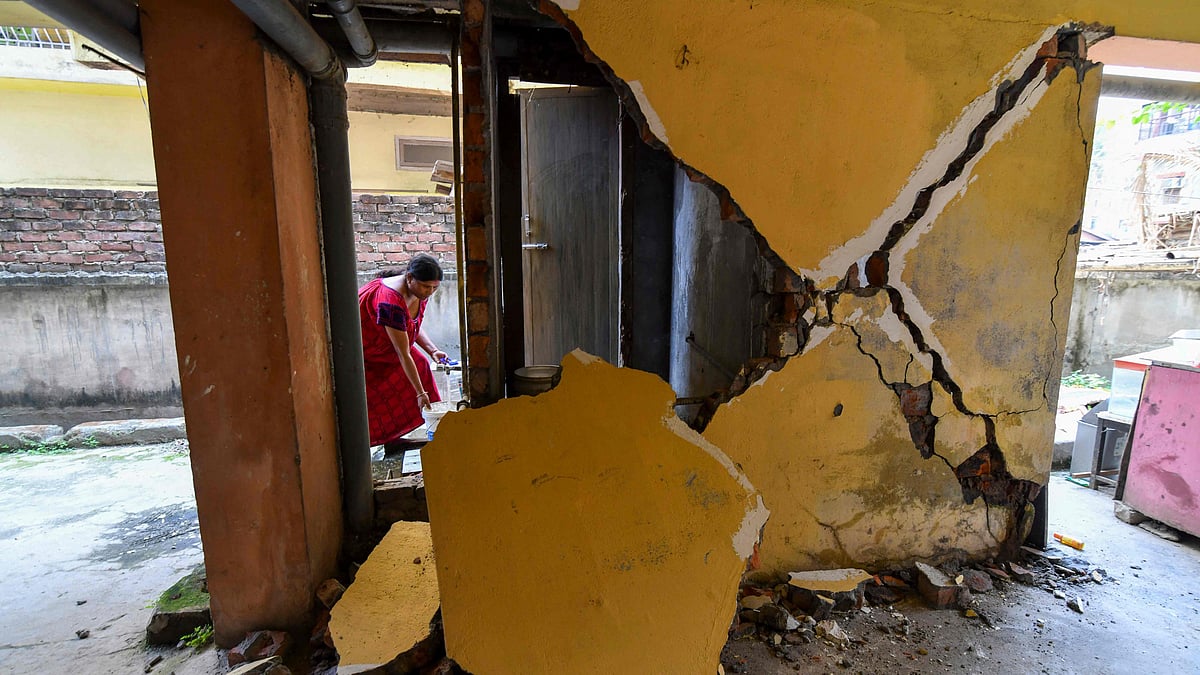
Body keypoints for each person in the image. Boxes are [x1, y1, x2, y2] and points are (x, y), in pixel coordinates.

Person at [358, 254, 448, 446]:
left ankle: (439, 431)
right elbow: (403, 353)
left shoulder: (418, 292)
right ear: (409, 278)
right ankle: (386, 438)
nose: (430, 292)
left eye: (435, 287)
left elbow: (410, 325)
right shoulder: (390, 302)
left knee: (422, 364)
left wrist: (433, 350)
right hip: (369, 349)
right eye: (426, 286)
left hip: (390, 344)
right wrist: (419, 393)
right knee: (376, 396)